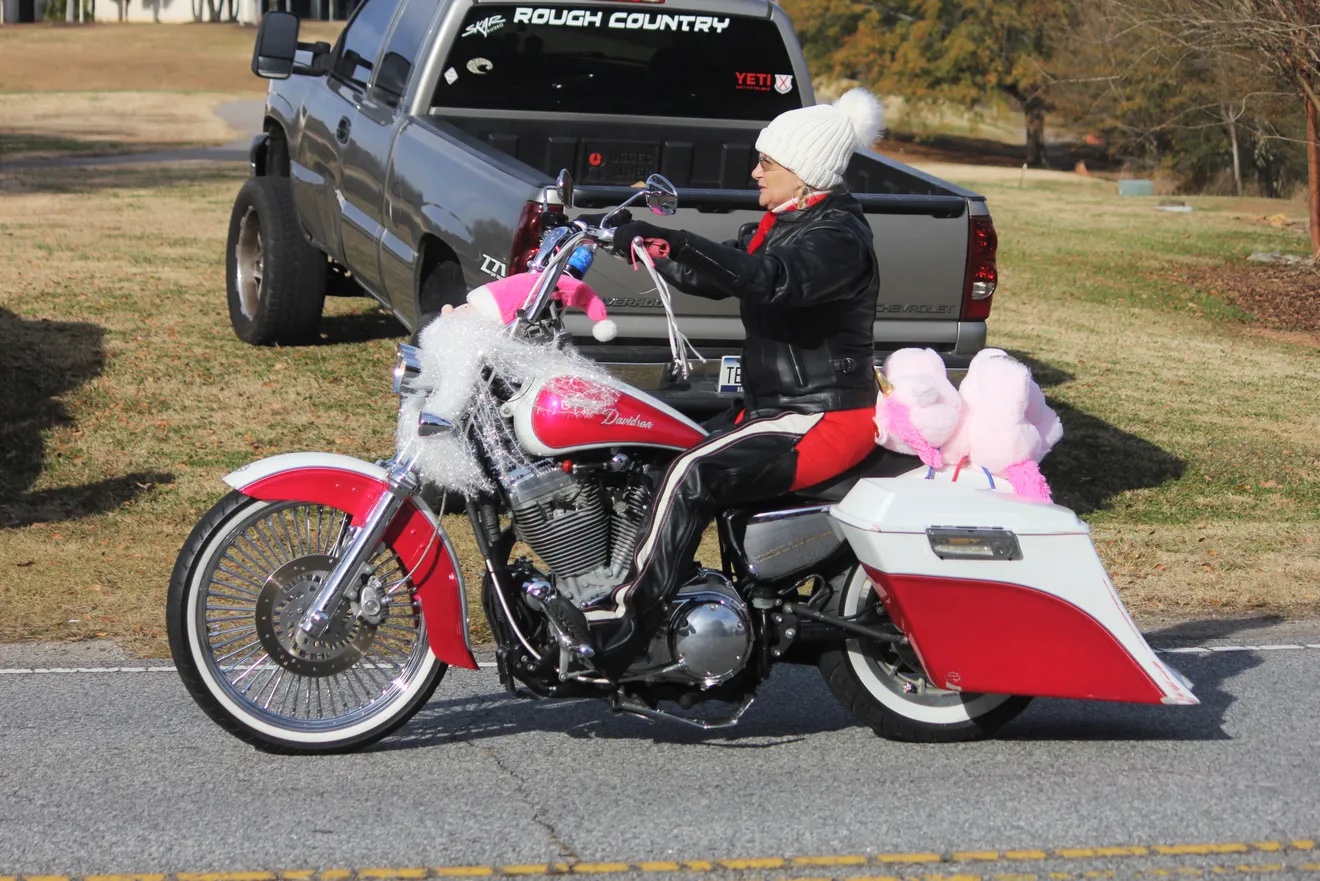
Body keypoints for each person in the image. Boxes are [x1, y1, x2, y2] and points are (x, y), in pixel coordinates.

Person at [547, 88, 888, 679]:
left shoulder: (838, 238)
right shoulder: (783, 222)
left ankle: (626, 628)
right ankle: (606, 586)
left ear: (805, 174)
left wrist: (679, 239)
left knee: (691, 473)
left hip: (821, 418)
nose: (755, 171)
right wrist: (643, 242)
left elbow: (772, 281)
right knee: (646, 452)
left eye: (768, 163)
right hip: (773, 411)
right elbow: (715, 275)